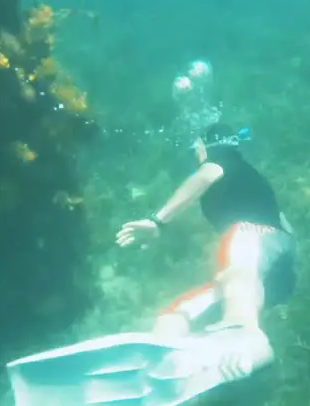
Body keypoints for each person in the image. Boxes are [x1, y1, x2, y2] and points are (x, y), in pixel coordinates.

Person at [116, 122, 296, 380]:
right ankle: (165, 350)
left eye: (195, 149)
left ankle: (247, 335)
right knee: (176, 314)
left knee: (237, 255)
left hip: (254, 254)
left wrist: (157, 221)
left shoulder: (221, 161)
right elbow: (284, 231)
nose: (195, 156)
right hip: (268, 278)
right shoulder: (250, 177)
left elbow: (205, 176)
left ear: (207, 146)